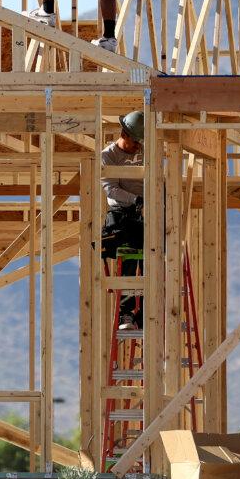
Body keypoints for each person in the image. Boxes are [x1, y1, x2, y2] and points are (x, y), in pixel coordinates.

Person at [100, 111, 144, 330]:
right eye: (135, 142)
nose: (138, 146)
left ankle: (144, 315)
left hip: (144, 213)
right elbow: (111, 189)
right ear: (124, 134)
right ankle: (125, 313)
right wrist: (135, 199)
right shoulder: (108, 155)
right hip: (121, 214)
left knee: (152, 258)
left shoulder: (145, 151)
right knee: (128, 258)